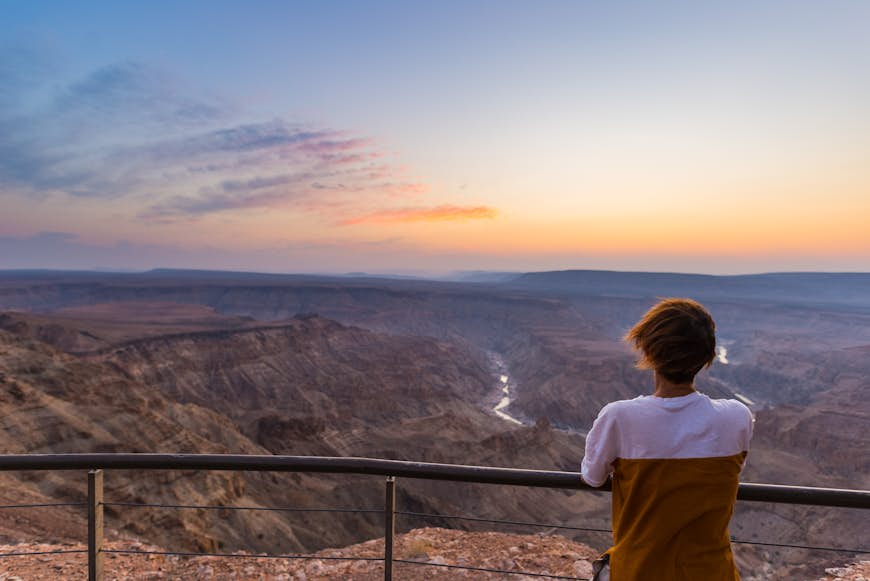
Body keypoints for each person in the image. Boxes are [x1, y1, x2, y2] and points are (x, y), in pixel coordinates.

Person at [581, 298, 754, 581]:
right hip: (712, 573)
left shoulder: (620, 417)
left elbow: (592, 476)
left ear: (648, 350)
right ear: (707, 355)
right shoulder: (737, 417)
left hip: (638, 571)